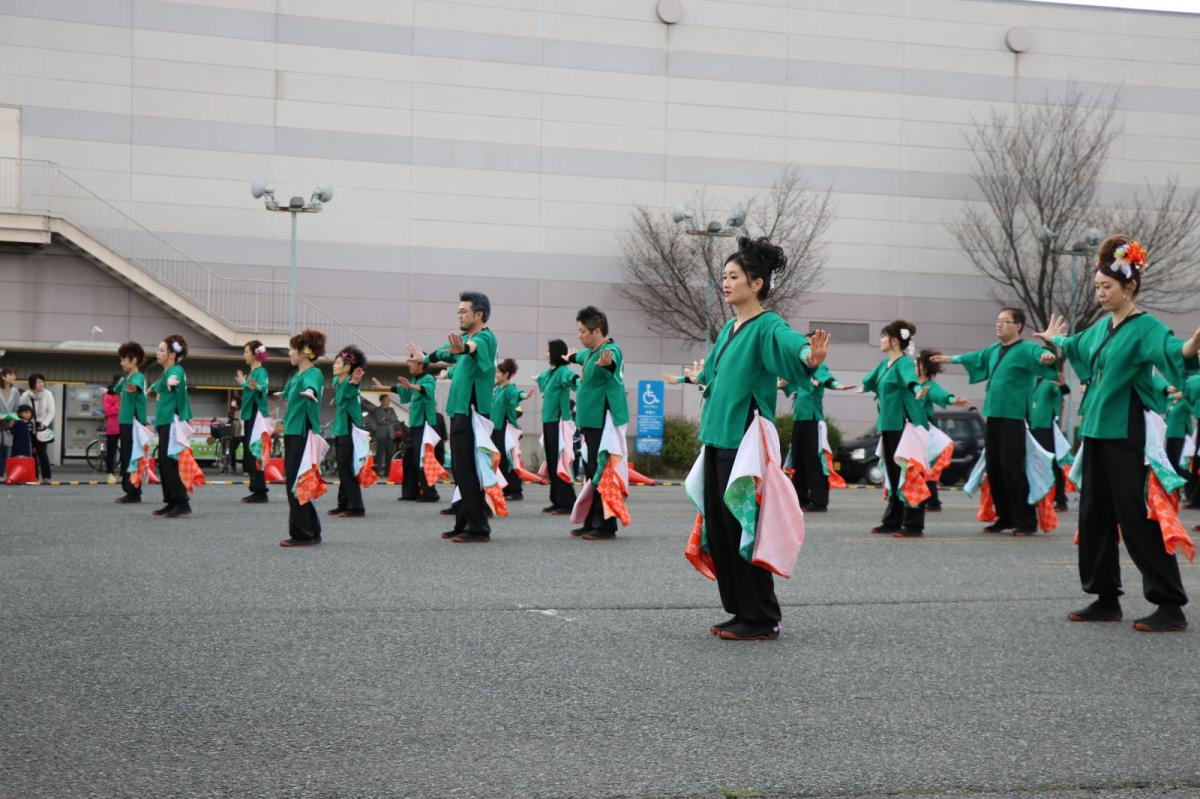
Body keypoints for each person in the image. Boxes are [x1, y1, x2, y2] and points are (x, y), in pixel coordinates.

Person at [1035, 235, 1200, 633]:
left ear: (1130, 287)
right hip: (1095, 429)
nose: (1100, 294)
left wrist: (1190, 348)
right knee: (1093, 515)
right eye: (1096, 287)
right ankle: (1104, 597)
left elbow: (1171, 348)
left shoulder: (1145, 327)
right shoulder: (1101, 328)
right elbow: (1074, 345)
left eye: (1106, 287)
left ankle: (1169, 605)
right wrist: (1053, 340)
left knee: (1135, 516)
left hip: (1127, 430)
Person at [681, 237, 829, 640]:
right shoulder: (730, 327)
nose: (726, 283)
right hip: (716, 439)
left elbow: (791, 344)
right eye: (725, 276)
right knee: (721, 526)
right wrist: (695, 377)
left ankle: (762, 616)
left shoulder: (767, 325)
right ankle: (741, 609)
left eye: (733, 277)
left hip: (743, 444)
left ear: (756, 283)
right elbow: (712, 372)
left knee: (744, 527)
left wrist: (807, 357)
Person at [932, 308, 1058, 536]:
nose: (998, 325)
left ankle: (1026, 521)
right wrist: (950, 359)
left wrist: (1048, 354)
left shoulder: (1026, 348)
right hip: (995, 415)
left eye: (1004, 321)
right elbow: (975, 358)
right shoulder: (994, 350)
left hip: (1014, 417)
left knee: (1013, 468)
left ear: (1018, 326)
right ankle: (1005, 517)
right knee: (995, 467)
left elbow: (1042, 358)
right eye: (997, 321)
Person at [409, 291, 498, 544]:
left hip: (472, 411)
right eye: (458, 311)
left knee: (468, 469)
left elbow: (473, 348)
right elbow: (446, 352)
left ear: (478, 314)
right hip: (459, 410)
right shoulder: (463, 339)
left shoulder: (485, 337)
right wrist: (424, 358)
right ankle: (464, 522)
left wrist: (465, 348)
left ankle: (479, 528)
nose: (459, 314)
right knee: (460, 469)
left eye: (464, 311)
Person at [861, 321, 929, 538]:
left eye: (883, 336)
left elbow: (911, 381)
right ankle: (893, 520)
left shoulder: (904, 363)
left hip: (903, 425)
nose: (880, 340)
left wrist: (918, 390)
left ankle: (913, 524)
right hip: (888, 425)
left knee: (907, 474)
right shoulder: (885, 364)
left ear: (894, 341)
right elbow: (869, 381)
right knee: (892, 475)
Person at [570, 305, 628, 541]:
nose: (580, 335)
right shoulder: (591, 352)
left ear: (596, 331)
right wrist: (569, 357)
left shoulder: (611, 350)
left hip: (603, 425)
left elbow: (613, 362)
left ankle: (606, 525)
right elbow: (579, 356)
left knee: (602, 474)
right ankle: (591, 520)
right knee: (592, 472)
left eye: (583, 331)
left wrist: (608, 364)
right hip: (590, 424)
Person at [779, 363, 854, 512]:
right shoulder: (798, 368)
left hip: (813, 419)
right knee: (797, 460)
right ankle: (800, 498)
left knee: (813, 460)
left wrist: (838, 386)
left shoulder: (819, 367)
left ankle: (819, 501)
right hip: (798, 419)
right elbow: (784, 384)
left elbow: (829, 380)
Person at [278, 328, 328, 547]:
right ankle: (312, 530)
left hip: (301, 431)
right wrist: (282, 394)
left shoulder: (313, 374)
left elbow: (312, 387)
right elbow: (289, 392)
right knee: (298, 481)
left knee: (297, 482)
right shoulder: (296, 375)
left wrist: (310, 392)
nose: (290, 353)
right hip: (292, 430)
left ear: (303, 352)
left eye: (292, 350)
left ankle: (303, 534)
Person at [915, 349, 970, 511]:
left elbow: (941, 394)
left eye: (915, 364)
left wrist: (953, 400)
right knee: (923, 467)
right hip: (913, 431)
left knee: (924, 467)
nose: (913, 366)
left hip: (923, 432)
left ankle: (930, 502)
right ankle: (931, 502)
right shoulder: (911, 385)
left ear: (924, 369)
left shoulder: (928, 386)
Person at [146, 334, 193, 518]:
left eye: (162, 350)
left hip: (173, 421)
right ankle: (171, 501)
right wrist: (153, 388)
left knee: (169, 462)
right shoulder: (166, 372)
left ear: (172, 355)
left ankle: (182, 503)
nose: (158, 353)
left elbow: (172, 379)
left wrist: (169, 383)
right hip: (165, 421)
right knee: (164, 462)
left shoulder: (176, 371)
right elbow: (161, 383)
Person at [535, 339, 578, 514]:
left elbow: (573, 380)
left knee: (560, 462)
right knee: (552, 462)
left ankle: (567, 503)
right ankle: (557, 500)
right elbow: (542, 384)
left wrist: (576, 374)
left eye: (548, 350)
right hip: (548, 421)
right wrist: (538, 379)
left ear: (556, 353)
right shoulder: (550, 372)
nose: (546, 353)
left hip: (558, 422)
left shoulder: (562, 371)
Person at [329, 345, 368, 518]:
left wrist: (354, 381)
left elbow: (350, 388)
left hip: (348, 433)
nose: (333, 365)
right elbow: (337, 385)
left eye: (337, 362)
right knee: (343, 469)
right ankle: (343, 503)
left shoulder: (351, 385)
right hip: (341, 431)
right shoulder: (340, 381)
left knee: (347, 470)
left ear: (347, 367)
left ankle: (357, 507)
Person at [1029, 367, 1071, 511]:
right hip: (1031, 426)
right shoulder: (1032, 378)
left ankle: (1061, 499)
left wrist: (1062, 385)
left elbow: (1061, 391)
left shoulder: (1051, 379)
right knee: (1033, 463)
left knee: (1051, 462)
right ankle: (1037, 496)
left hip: (1045, 426)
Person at [491, 357, 534, 501]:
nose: (496, 375)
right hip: (495, 428)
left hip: (504, 428)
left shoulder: (510, 389)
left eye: (498, 372)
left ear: (506, 374)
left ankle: (515, 490)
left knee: (507, 459)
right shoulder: (496, 389)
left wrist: (524, 396)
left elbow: (517, 394)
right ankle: (503, 488)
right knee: (499, 458)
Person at [236, 340, 271, 503]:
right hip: (251, 415)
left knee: (255, 452)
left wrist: (254, 386)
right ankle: (256, 488)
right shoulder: (253, 373)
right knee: (251, 452)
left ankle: (260, 490)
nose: (244, 355)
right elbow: (252, 387)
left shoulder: (260, 372)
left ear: (255, 354)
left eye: (246, 352)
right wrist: (245, 383)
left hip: (256, 415)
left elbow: (262, 387)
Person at [114, 342, 147, 504]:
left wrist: (131, 386)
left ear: (133, 360)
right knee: (128, 456)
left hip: (133, 424)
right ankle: (131, 490)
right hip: (126, 422)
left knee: (131, 456)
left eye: (124, 359)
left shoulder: (137, 377)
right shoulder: (128, 378)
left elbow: (136, 387)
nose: (121, 363)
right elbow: (116, 389)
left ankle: (133, 492)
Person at [20, 373, 56, 483]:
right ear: (32, 383)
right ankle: (34, 476)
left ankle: (46, 477)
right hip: (29, 426)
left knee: (42, 452)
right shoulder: (26, 395)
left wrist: (44, 424)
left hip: (43, 426)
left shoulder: (48, 394)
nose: (41, 384)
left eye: (42, 381)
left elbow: (51, 411)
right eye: (38, 382)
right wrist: (25, 421)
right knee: (32, 452)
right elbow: (21, 409)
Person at [370, 394, 399, 476]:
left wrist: (386, 418)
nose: (388, 401)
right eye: (387, 399)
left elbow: (395, 419)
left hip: (390, 434)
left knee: (390, 453)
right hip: (381, 434)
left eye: (388, 399)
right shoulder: (377, 410)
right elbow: (379, 420)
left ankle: (388, 471)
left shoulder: (392, 409)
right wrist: (389, 419)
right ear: (382, 401)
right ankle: (378, 471)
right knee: (380, 453)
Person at [0, 367, 22, 475]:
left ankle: (1, 473)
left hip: (7, 425)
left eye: (14, 375)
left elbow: (17, 408)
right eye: (10, 374)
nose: (13, 377)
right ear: (3, 376)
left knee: (4, 449)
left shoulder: (15, 391)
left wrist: (13, 420)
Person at [102, 375, 121, 484]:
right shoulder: (108, 396)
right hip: (113, 427)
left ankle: (124, 473)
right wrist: (119, 406)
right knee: (111, 451)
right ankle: (110, 473)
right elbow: (108, 411)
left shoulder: (124, 394)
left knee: (126, 451)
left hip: (125, 425)